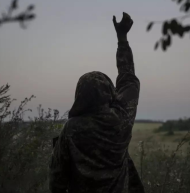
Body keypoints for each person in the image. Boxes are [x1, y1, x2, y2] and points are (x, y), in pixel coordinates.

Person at [49, 12, 145, 193]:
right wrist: (122, 38)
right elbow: (128, 80)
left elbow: (57, 176)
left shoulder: (71, 129)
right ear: (110, 94)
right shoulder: (122, 119)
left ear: (80, 95)